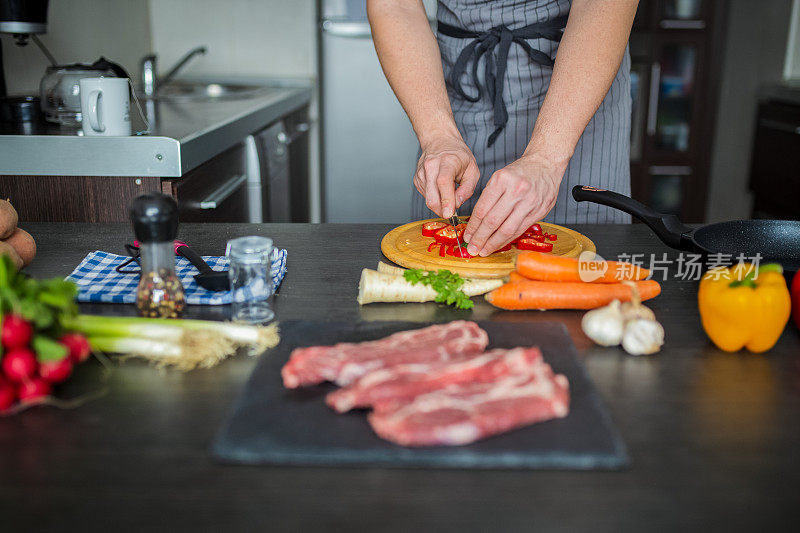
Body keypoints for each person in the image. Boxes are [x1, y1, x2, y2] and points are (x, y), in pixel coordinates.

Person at [368, 0, 638, 256]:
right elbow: (396, 4)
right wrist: (437, 136)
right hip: (452, 90)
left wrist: (546, 158)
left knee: (588, 266)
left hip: (578, 88)